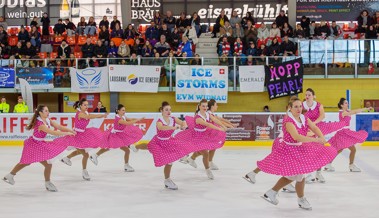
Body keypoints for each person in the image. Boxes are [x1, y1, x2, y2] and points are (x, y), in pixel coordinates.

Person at [257, 97, 337, 210]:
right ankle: (296, 198)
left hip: (299, 149)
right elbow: (297, 137)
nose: (299, 109)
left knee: (298, 176)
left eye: (300, 106)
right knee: (298, 176)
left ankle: (274, 193)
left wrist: (322, 137)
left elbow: (314, 127)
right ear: (290, 108)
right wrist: (316, 140)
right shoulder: (288, 121)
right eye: (296, 106)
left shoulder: (303, 117)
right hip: (290, 150)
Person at [3, 105, 75, 191]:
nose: (48, 112)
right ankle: (10, 176)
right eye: (46, 111)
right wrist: (67, 134)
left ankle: (47, 183)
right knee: (26, 162)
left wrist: (71, 130)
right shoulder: (40, 124)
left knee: (47, 164)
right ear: (40, 113)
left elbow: (59, 127)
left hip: (40, 144)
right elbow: (53, 133)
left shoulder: (48, 120)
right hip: (33, 144)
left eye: (48, 110)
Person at [131, 101, 194, 190]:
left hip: (169, 141)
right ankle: (136, 147)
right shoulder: (159, 121)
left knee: (170, 161)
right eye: (166, 110)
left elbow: (183, 123)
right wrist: (173, 127)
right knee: (147, 146)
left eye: (170, 110)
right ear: (162, 111)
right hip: (159, 142)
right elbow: (161, 128)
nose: (169, 111)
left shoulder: (173, 119)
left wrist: (184, 125)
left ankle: (167, 180)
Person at [302, 88, 345, 183]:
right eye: (306, 95)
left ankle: (318, 173)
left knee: (320, 151)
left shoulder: (318, 105)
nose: (307, 96)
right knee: (308, 151)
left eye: (309, 95)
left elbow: (322, 116)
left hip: (317, 128)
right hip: (306, 130)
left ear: (314, 96)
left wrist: (313, 123)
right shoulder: (302, 105)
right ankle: (308, 174)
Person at [60, 98, 107, 181]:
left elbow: (89, 115)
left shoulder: (85, 112)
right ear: (80, 106)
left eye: (87, 104)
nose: (86, 106)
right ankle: (84, 171)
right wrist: (100, 115)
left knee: (79, 151)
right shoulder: (79, 113)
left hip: (83, 134)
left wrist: (100, 115)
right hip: (77, 135)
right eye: (84, 105)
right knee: (85, 154)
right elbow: (89, 117)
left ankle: (66, 158)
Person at [183, 99, 235, 170]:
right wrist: (225, 126)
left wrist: (230, 124)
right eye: (216, 104)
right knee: (207, 148)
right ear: (212, 106)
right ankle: (200, 160)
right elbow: (212, 122)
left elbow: (218, 119)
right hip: (208, 133)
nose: (217, 106)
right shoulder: (207, 113)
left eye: (206, 106)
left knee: (209, 148)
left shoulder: (208, 113)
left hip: (210, 132)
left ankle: (193, 158)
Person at [90, 104, 144, 172]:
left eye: (124, 110)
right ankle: (95, 155)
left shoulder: (123, 116)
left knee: (126, 150)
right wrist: (136, 120)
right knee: (109, 147)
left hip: (120, 134)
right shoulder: (118, 119)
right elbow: (128, 123)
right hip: (115, 136)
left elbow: (129, 119)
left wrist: (138, 119)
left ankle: (126, 165)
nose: (124, 111)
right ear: (118, 111)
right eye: (122, 110)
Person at [325, 98, 371, 172]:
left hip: (345, 133)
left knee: (341, 149)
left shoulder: (347, 111)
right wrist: (365, 108)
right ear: (342, 105)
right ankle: (351, 165)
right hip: (344, 133)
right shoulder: (343, 113)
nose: (347, 104)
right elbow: (355, 111)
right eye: (346, 103)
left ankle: (329, 164)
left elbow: (356, 111)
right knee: (351, 149)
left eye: (347, 103)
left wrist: (365, 109)